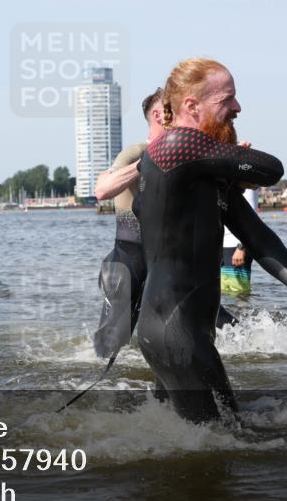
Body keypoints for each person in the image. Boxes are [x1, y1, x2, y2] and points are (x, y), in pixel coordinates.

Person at [136, 58, 287, 422]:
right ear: (192, 105)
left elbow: (256, 235)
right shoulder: (177, 145)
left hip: (186, 331)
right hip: (173, 331)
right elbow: (272, 169)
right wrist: (234, 157)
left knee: (225, 435)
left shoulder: (200, 169)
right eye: (228, 99)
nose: (237, 108)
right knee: (214, 448)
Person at [93, 89, 241, 361]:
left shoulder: (188, 157)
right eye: (173, 109)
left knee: (226, 327)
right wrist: (146, 164)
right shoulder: (136, 152)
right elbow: (102, 189)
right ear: (159, 115)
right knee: (111, 345)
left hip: (173, 264)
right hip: (129, 259)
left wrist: (233, 166)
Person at [221, 188, 259, 295]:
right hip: (222, 243)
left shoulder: (247, 180)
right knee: (225, 293)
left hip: (236, 245)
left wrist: (241, 247)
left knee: (238, 293)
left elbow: (251, 216)